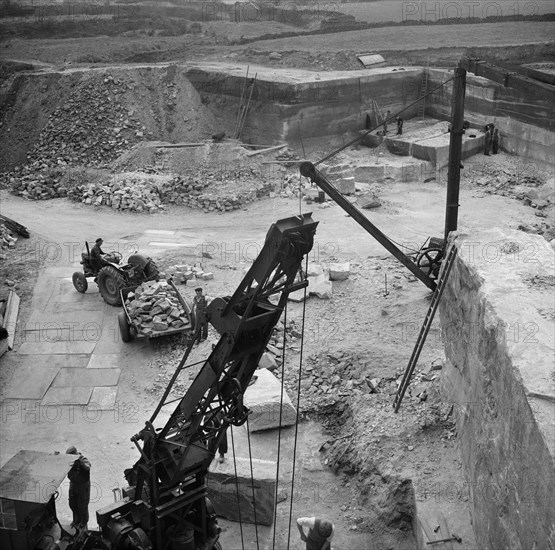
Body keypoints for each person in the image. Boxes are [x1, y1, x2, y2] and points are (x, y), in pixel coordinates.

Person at [66, 446, 91, 531]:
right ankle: (76, 520)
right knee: (72, 503)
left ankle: (83, 521)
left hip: (83, 486)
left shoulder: (83, 459)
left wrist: (80, 461)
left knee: (82, 505)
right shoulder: (69, 461)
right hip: (73, 484)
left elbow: (88, 466)